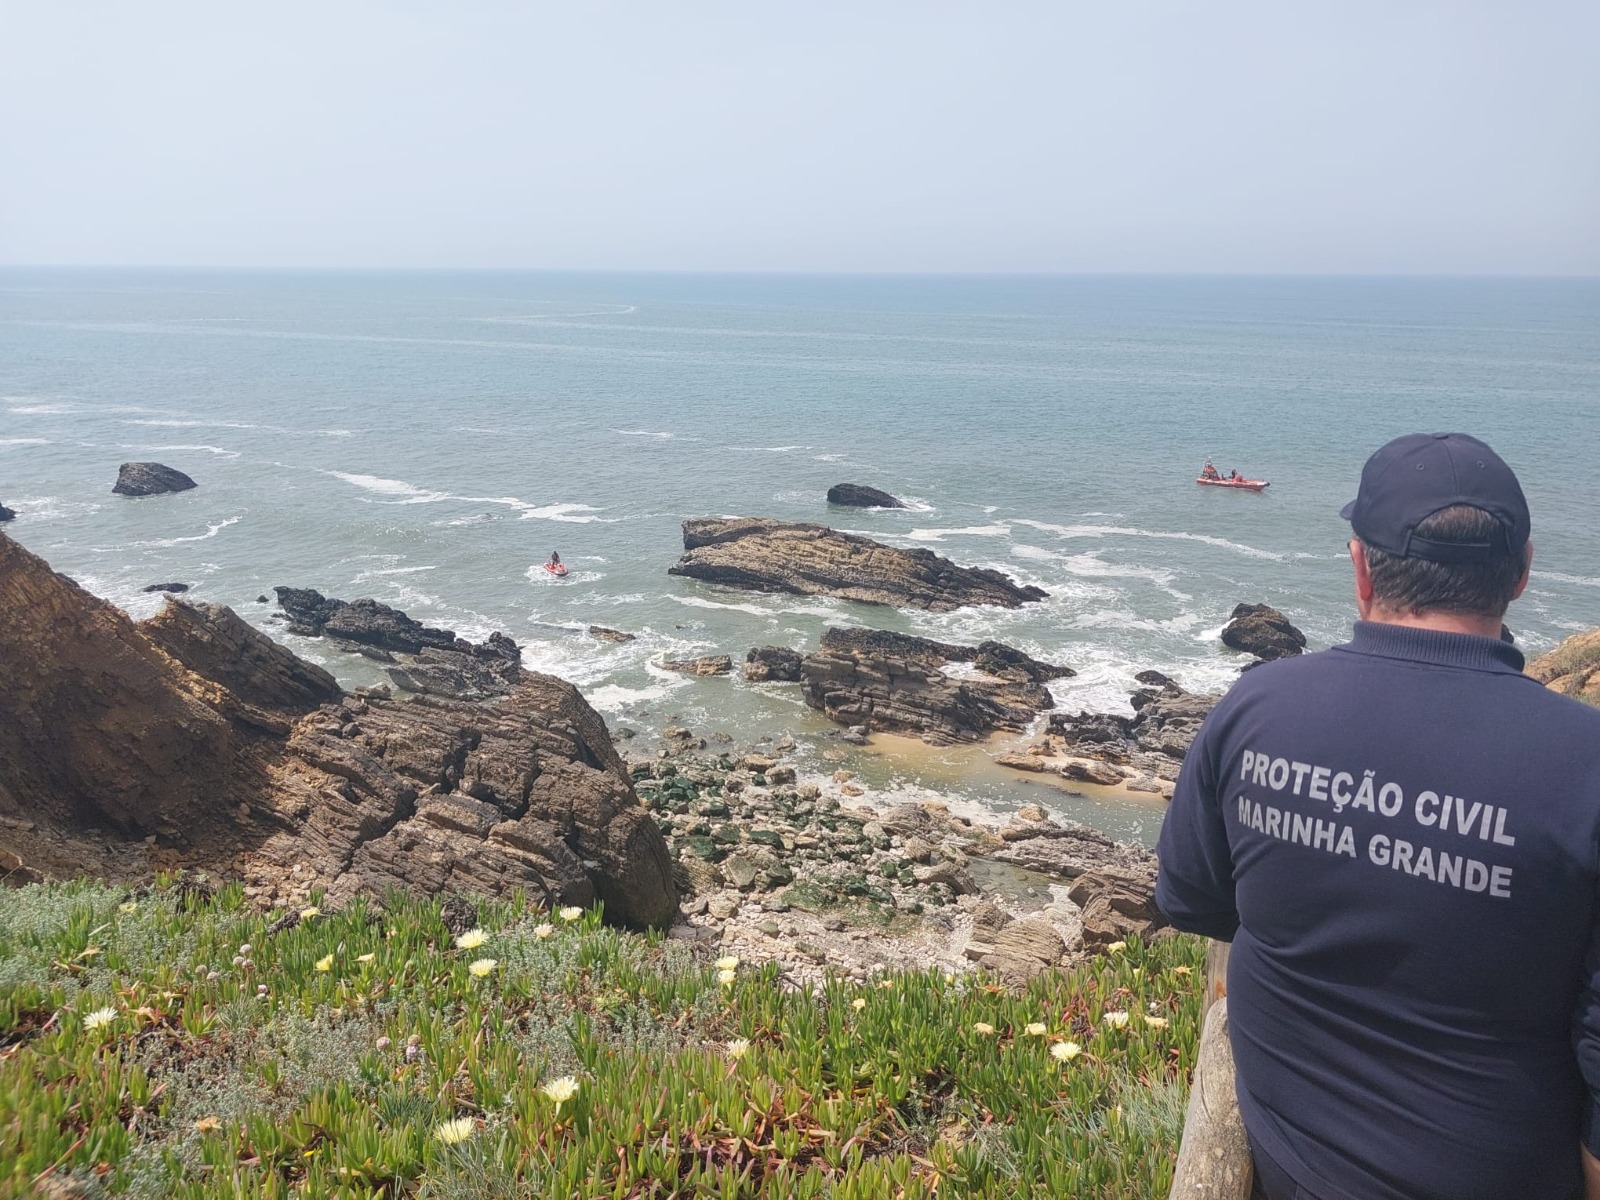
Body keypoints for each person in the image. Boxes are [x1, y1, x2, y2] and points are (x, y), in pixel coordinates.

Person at [1156, 432, 1600, 1200]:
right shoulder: (1583, 761)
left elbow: (1193, 901)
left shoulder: (1257, 706)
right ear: (1523, 572)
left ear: (1360, 566)